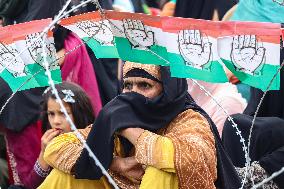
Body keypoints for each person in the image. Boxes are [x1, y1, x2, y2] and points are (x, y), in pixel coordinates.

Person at [40, 61, 241, 189]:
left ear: (167, 90)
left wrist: (130, 130)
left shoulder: (189, 118)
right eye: (128, 86)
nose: (133, 94)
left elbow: (188, 158)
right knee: (65, 174)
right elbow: (56, 148)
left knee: (161, 169)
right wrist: (114, 163)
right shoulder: (116, 117)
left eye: (144, 86)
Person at [14, 81, 96, 189]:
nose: (56, 121)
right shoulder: (51, 143)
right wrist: (44, 153)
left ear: (79, 113)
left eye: (63, 113)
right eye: (51, 114)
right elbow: (31, 186)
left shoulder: (92, 142)